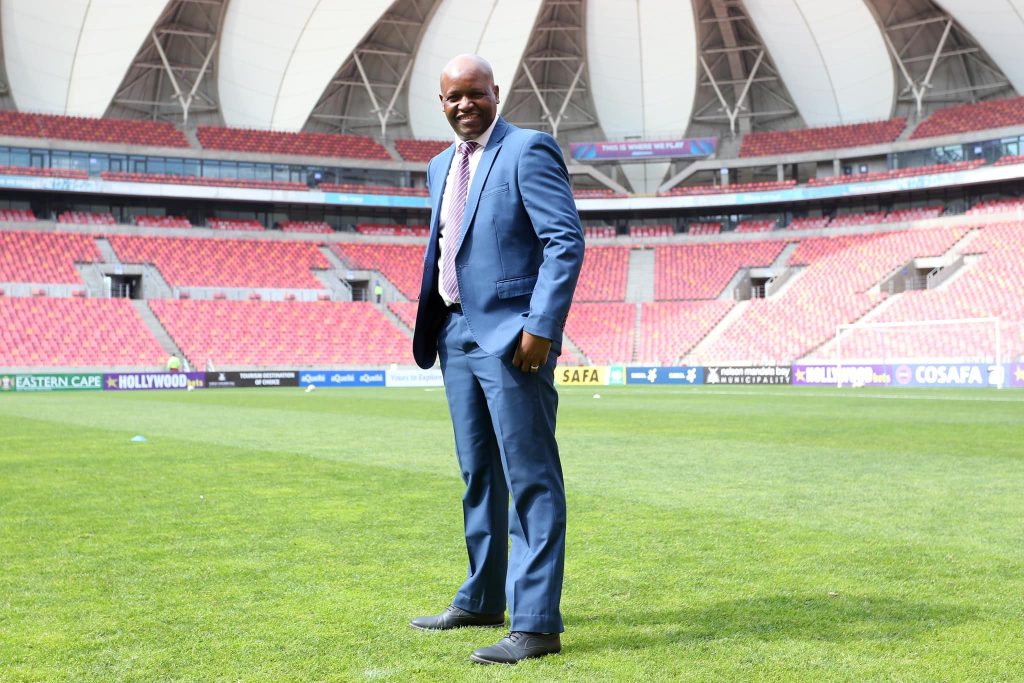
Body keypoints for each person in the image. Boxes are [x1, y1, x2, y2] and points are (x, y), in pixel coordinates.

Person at [409, 54, 585, 665]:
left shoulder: (528, 149)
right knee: (478, 474)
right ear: (441, 103)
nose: (465, 105)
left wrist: (541, 327)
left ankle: (535, 624)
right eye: (453, 97)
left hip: (512, 338)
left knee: (531, 477)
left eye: (475, 93)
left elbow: (564, 240)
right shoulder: (439, 166)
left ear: (495, 93)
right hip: (453, 332)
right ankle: (483, 598)